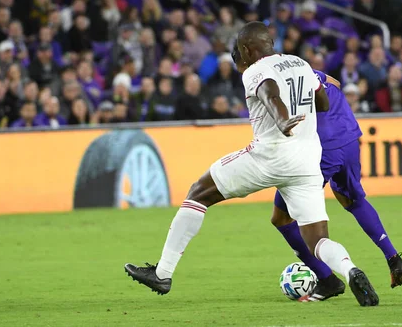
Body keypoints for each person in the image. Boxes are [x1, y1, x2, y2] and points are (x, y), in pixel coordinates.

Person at [124, 22, 380, 307]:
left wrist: (282, 118)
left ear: (246, 49)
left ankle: (163, 273)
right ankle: (350, 270)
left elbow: (269, 93)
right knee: (317, 239)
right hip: (307, 162)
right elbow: (322, 102)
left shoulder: (255, 70)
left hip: (270, 156)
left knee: (198, 193)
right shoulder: (300, 63)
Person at [271, 68, 402, 293]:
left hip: (323, 148)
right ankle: (393, 258)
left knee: (282, 218)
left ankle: (327, 279)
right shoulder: (303, 68)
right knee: (353, 200)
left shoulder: (273, 83)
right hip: (349, 138)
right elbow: (334, 82)